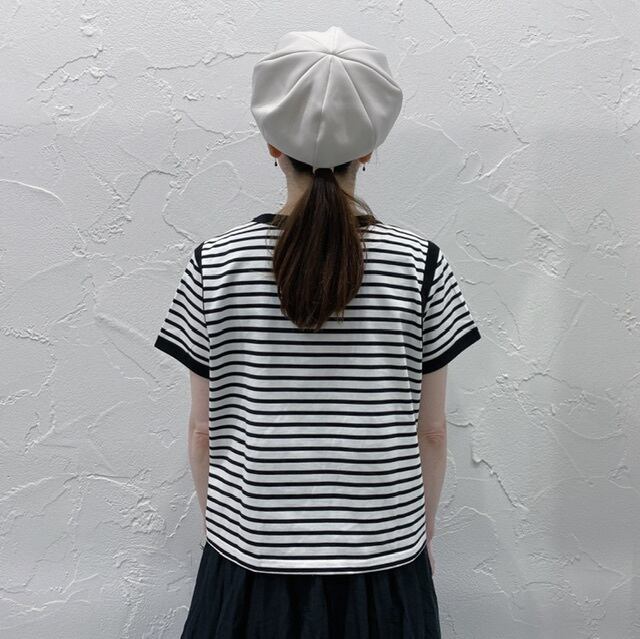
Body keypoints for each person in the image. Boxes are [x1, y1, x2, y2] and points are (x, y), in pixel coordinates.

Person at [153, 25, 482, 639]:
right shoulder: (421, 266)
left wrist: (221, 531)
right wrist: (423, 534)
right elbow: (432, 432)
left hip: (248, 561)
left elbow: (203, 433)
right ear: (369, 150)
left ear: (272, 145)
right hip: (384, 565)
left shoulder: (214, 264)